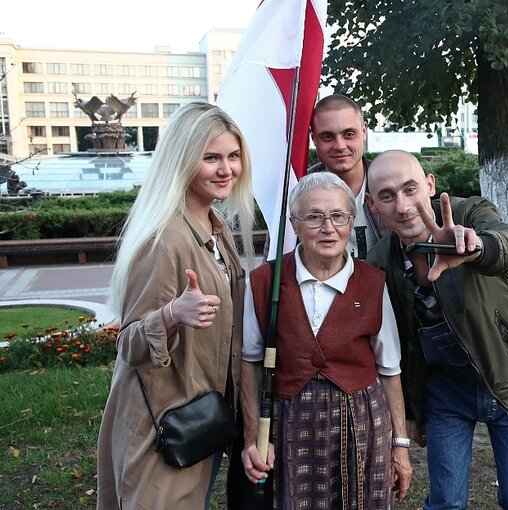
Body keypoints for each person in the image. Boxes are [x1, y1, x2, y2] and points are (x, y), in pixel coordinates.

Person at [96, 102, 255, 509]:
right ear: (183, 161)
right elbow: (129, 342)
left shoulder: (216, 227)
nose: (226, 169)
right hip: (160, 428)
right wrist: (170, 315)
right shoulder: (166, 239)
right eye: (211, 158)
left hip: (200, 419)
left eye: (233, 156)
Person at [365, 150, 508, 510]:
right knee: (446, 502)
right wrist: (412, 413)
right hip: (445, 392)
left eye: (410, 189)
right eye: (387, 196)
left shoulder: (468, 214)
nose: (402, 206)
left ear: (430, 185)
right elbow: (401, 348)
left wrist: (475, 247)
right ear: (372, 205)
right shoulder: (379, 262)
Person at [238, 171, 412, 508]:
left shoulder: (373, 283)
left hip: (363, 423)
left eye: (338, 216)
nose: (328, 227)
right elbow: (250, 363)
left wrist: (400, 446)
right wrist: (252, 437)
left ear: (350, 222)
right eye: (314, 217)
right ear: (294, 224)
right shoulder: (264, 282)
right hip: (292, 425)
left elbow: (390, 370)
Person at [307, 94, 387, 260]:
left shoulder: (391, 185)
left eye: (349, 134)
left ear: (364, 131)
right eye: (327, 137)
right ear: (313, 138)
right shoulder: (298, 192)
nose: (340, 146)